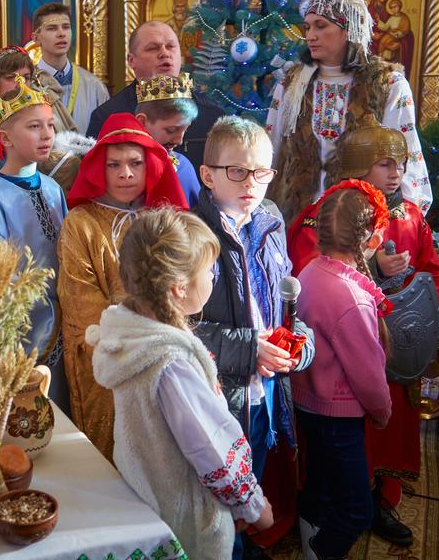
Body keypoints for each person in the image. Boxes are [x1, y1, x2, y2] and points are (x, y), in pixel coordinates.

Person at [287, 125, 439, 549]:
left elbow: (432, 275)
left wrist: (421, 328)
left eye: (401, 164)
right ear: (359, 165)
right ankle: (337, 516)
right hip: (343, 370)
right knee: (340, 458)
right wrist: (374, 269)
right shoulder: (327, 213)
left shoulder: (410, 215)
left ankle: (378, 500)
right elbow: (312, 274)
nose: (396, 173)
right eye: (385, 164)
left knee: (385, 437)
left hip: (394, 352)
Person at [88, 209, 274, 560]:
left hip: (148, 497)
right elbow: (211, 446)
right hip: (186, 516)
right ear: (179, 288)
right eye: (209, 271)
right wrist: (251, 505)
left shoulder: (129, 337)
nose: (213, 279)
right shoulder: (171, 363)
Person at [192, 116, 315, 559]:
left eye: (261, 172)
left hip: (263, 392)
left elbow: (288, 304)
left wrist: (299, 345)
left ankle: (240, 545)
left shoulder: (270, 222)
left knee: (252, 480)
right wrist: (249, 349)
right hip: (217, 397)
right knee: (215, 499)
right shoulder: (191, 235)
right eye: (237, 171)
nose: (251, 182)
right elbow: (176, 327)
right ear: (208, 175)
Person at [57, 113, 186, 460]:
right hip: (105, 355)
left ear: (150, 165)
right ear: (99, 169)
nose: (125, 173)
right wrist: (132, 344)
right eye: (114, 165)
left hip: (161, 354)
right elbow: (80, 301)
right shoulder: (81, 224)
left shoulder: (161, 220)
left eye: (135, 163)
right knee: (110, 455)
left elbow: (182, 288)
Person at [265, 0, 431, 223]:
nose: (310, 36)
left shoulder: (388, 84)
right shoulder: (292, 84)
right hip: (298, 223)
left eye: (321, 25)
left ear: (350, 28)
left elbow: (406, 155)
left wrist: (404, 223)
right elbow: (272, 149)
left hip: (360, 223)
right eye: (308, 27)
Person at [292, 180, 394, 560]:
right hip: (337, 414)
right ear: (371, 237)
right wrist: (382, 411)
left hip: (308, 404)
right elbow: (367, 374)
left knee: (318, 484)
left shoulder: (310, 272)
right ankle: (321, 551)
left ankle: (310, 543)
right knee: (356, 510)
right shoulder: (351, 298)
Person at [0, 74, 69, 410]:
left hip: (62, 324)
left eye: (50, 125)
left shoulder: (53, 189)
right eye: (34, 127)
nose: (47, 134)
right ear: (5, 138)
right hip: (19, 331)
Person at [86, 21, 223, 171]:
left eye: (171, 46)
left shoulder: (211, 114)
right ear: (131, 60)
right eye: (153, 48)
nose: (165, 53)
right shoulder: (107, 116)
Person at [31, 2, 109, 134]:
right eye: (52, 28)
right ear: (36, 38)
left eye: (66, 27)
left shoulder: (94, 86)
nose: (61, 33)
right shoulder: (28, 84)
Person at [134, 74, 202, 207]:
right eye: (171, 130)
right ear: (142, 122)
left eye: (185, 130)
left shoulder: (183, 165)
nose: (179, 141)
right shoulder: (126, 170)